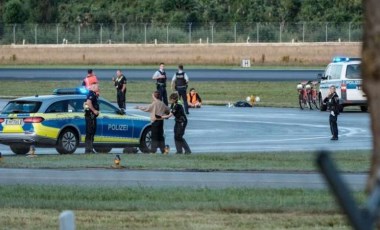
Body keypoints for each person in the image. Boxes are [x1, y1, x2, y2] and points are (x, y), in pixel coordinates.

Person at [84, 82, 100, 153]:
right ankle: (88, 149)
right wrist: (94, 111)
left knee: (91, 133)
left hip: (91, 117)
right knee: (90, 133)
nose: (98, 88)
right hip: (91, 117)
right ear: (93, 87)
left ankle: (89, 148)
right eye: (97, 87)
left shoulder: (93, 94)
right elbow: (88, 102)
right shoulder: (91, 94)